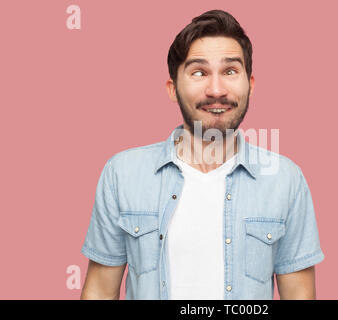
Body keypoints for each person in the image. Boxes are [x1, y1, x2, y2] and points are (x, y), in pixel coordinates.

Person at [80, 9, 324, 300]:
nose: (217, 89)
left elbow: (300, 295)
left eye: (230, 71)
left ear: (250, 84)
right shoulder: (122, 174)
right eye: (199, 72)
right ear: (173, 88)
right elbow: (99, 290)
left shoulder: (285, 180)